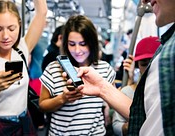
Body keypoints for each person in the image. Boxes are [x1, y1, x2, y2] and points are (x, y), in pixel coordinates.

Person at [67, 0, 175, 135]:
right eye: (72, 44)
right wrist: (102, 87)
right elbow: (147, 115)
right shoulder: (165, 48)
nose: (145, 1)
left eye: (83, 44)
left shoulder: (169, 52)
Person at [0, 0, 47, 135]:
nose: (5, 36)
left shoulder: (21, 49)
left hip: (24, 122)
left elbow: (41, 13)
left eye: (11, 28)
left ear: (19, 25)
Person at [39, 15, 116, 135]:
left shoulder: (104, 69)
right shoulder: (53, 69)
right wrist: (62, 99)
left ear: (92, 43)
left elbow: (114, 101)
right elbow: (42, 105)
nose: (77, 50)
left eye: (83, 43)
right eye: (72, 44)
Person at [112, 36, 160, 136]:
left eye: (153, 63)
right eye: (144, 64)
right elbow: (116, 126)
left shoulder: (167, 92)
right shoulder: (127, 92)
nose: (149, 68)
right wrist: (133, 124)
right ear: (137, 65)